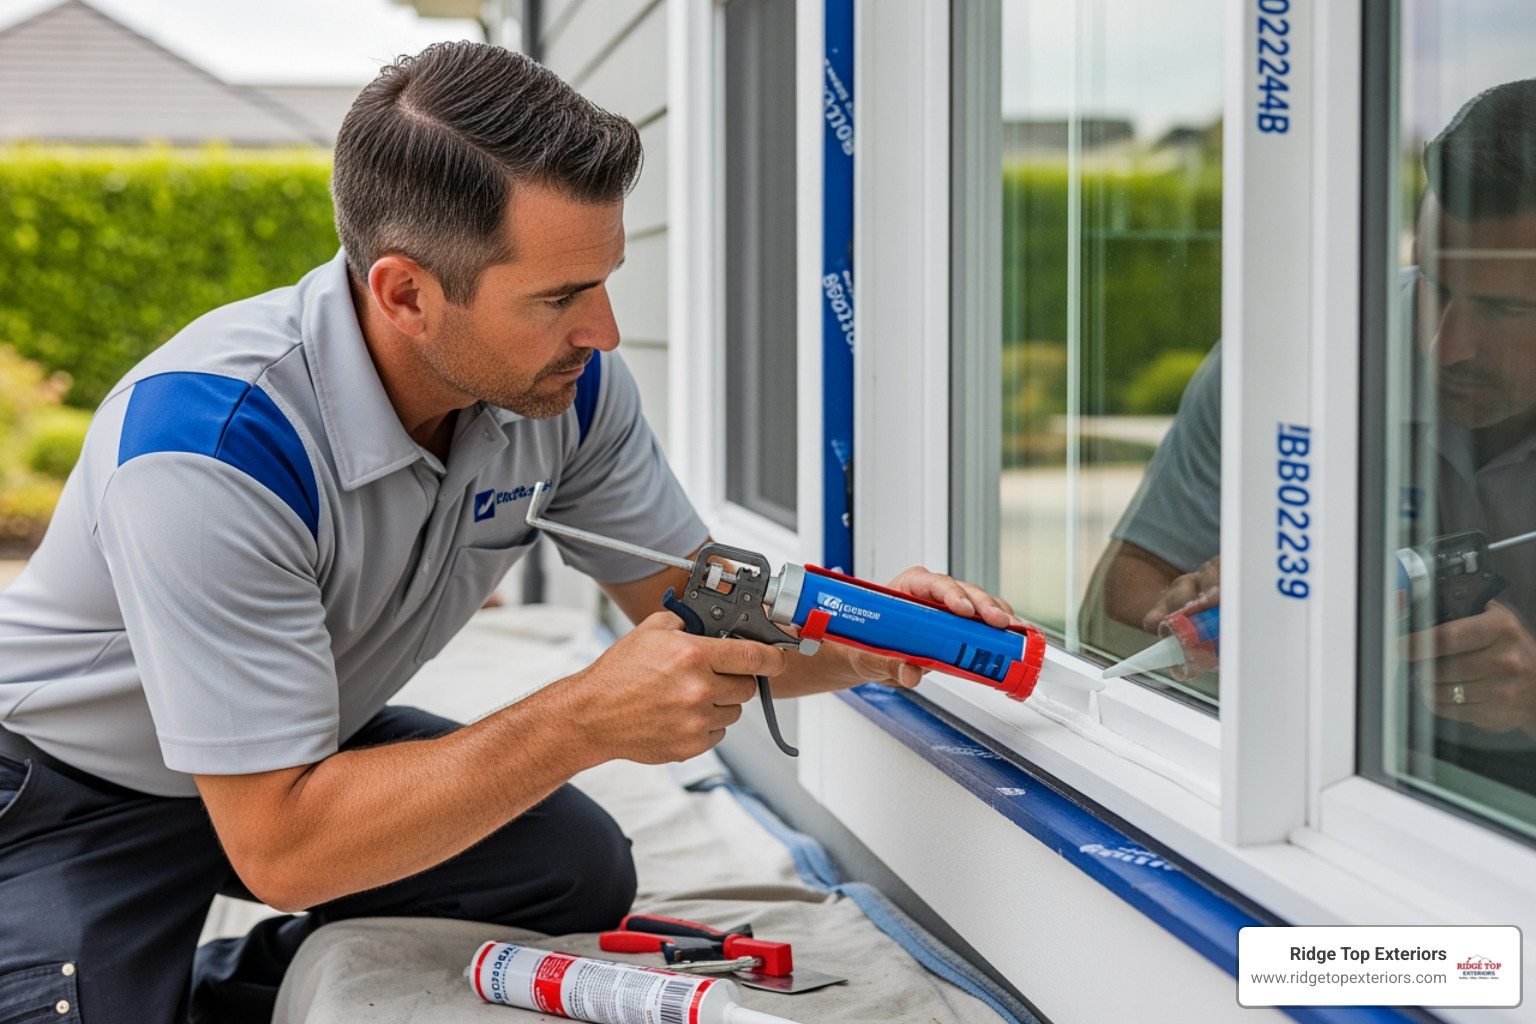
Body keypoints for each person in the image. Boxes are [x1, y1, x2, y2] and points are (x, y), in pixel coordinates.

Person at [0, 43, 1020, 1024]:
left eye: (605, 279)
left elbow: (694, 604)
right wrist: (577, 717)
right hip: (75, 790)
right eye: (561, 296)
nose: (606, 331)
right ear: (404, 292)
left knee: (570, 870)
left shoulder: (564, 392)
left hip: (300, 750)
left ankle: (238, 984)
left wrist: (858, 640)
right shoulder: (213, 445)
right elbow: (284, 848)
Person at [1084, 78, 1536, 781]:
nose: (1447, 348)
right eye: (1436, 286)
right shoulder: (1289, 363)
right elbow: (1109, 609)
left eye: (1507, 311)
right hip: (1342, 769)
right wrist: (1191, 620)